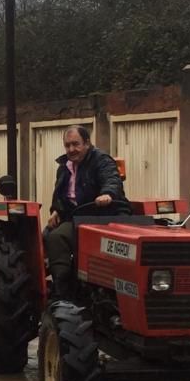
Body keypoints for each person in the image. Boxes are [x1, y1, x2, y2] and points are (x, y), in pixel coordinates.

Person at [44, 125, 130, 299]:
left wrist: (108, 194)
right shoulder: (64, 167)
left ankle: (65, 291)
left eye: (76, 144)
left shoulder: (101, 160)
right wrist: (56, 211)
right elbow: (60, 194)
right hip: (77, 218)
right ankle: (60, 284)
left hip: (102, 216)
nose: (71, 149)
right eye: (67, 145)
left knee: (57, 237)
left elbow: (111, 178)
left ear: (87, 143)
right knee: (47, 235)